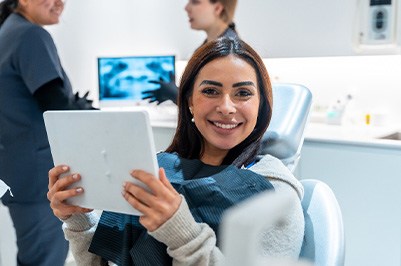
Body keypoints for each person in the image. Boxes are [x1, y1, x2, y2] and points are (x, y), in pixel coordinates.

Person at [47, 37, 305, 266]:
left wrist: (180, 231)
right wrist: (78, 219)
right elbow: (99, 262)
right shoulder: (157, 169)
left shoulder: (273, 192)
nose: (226, 106)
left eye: (243, 93)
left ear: (261, 105)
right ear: (190, 101)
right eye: (211, 91)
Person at [0, 0, 95, 265]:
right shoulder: (30, 34)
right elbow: (55, 106)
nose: (59, 3)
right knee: (44, 259)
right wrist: (82, 110)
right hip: (38, 175)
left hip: (18, 170)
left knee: (33, 255)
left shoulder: (8, 30)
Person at [142, 0, 239, 105]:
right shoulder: (208, 47)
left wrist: (176, 95)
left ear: (217, 8)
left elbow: (216, 104)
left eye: (195, 2)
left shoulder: (229, 53)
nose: (186, 8)